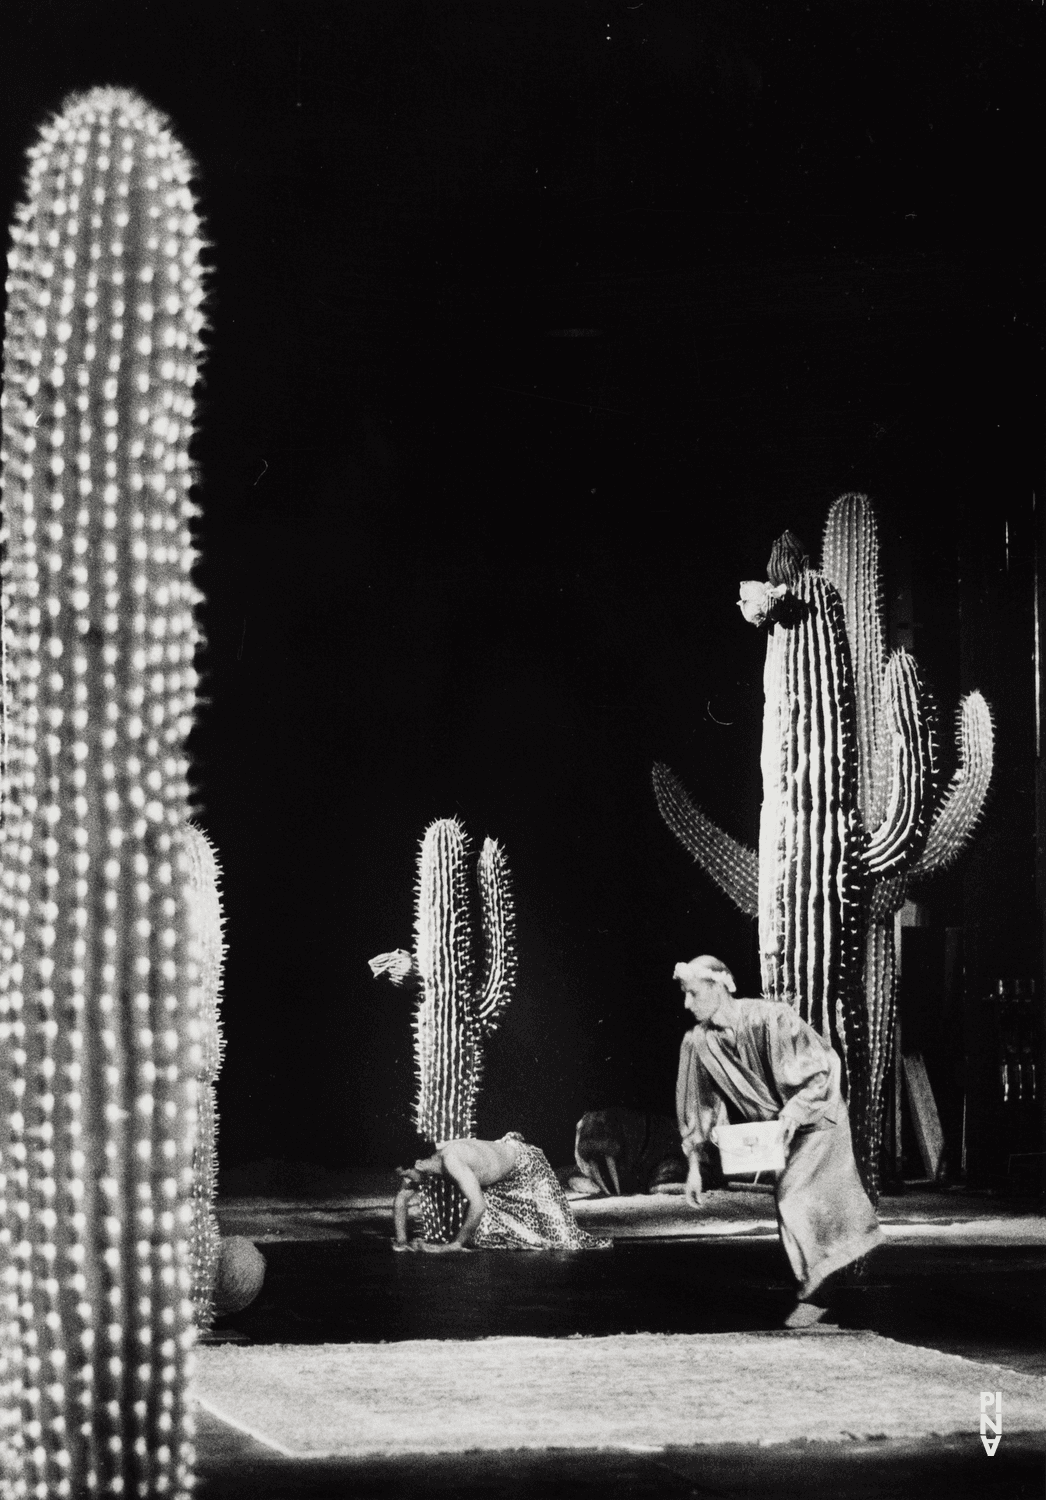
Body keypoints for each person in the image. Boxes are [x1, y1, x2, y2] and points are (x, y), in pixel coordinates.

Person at [674, 954, 883, 1328]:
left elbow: (822, 1071)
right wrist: (693, 1167)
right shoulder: (698, 1043)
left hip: (817, 1118)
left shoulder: (772, 1017)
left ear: (718, 986)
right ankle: (820, 1289)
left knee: (794, 1200)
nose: (687, 1004)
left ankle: (816, 1297)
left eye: (693, 993)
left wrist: (792, 1114)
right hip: (778, 1132)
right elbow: (699, 1105)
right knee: (793, 1207)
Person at [393, 1132, 612, 1252]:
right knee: (485, 1236)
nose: (405, 1181)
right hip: (497, 1181)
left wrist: (455, 1245)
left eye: (405, 1174)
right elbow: (401, 1200)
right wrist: (402, 1241)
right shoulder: (427, 1161)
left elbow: (478, 1206)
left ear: (419, 1164)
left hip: (526, 1164)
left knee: (566, 1241)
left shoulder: (452, 1160)